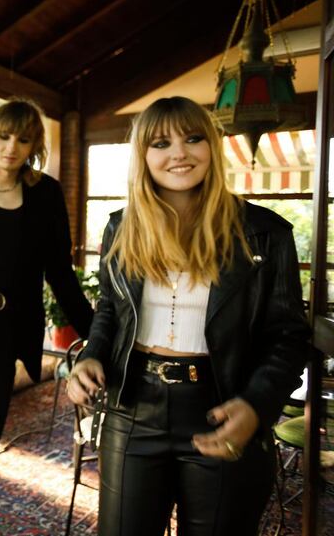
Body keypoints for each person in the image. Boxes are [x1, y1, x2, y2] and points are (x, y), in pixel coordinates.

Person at [67, 96, 310, 535]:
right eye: (161, 143)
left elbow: (289, 335)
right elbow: (110, 309)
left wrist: (257, 404)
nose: (179, 153)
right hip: (131, 408)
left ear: (211, 147)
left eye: (193, 138)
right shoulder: (121, 226)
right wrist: (91, 355)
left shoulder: (265, 232)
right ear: (143, 156)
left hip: (224, 407)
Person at [0, 98, 94, 515]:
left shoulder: (46, 193)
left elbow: (60, 273)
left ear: (34, 145)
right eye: (3, 136)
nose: (10, 148)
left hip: (6, 334)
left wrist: (99, 336)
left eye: (22, 140)